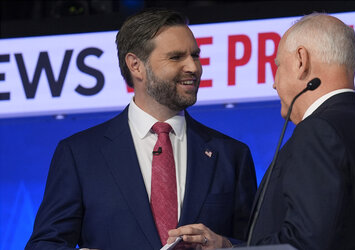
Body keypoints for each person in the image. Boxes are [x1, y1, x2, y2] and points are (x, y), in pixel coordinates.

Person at [25, 8, 256, 250]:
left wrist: (226, 246)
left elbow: (258, 243)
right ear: (136, 66)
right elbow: (45, 244)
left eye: (195, 56)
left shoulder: (232, 155)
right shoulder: (79, 154)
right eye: (177, 57)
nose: (194, 67)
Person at [170, 13, 355, 250]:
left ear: (301, 61)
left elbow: (302, 244)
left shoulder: (318, 132)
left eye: (278, 65)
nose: (274, 83)